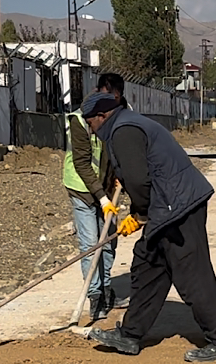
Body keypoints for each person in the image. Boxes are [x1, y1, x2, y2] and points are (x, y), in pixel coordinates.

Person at [81, 92, 216, 362]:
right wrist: (142, 212)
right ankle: (130, 334)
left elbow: (138, 179)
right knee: (148, 265)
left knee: (192, 275)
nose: (89, 129)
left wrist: (140, 214)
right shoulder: (127, 123)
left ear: (101, 116)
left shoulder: (123, 131)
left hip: (178, 208)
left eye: (90, 122)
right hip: (167, 205)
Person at [62, 94, 127, 321]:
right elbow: (81, 163)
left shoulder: (113, 120)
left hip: (106, 188)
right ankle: (95, 295)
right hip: (82, 189)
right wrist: (101, 198)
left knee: (108, 241)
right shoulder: (80, 122)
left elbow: (115, 153)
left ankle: (107, 289)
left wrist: (119, 177)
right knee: (91, 243)